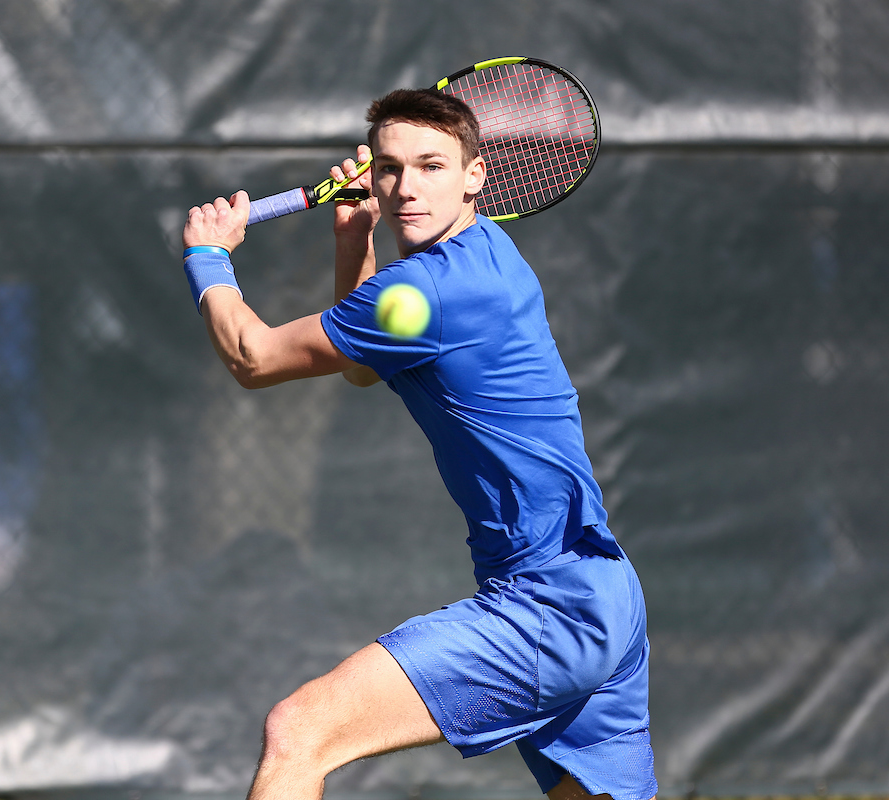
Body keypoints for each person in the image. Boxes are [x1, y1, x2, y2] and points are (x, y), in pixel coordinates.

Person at [181, 89, 657, 800]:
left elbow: (253, 358)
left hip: (548, 607)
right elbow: (369, 366)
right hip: (603, 594)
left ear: (476, 176)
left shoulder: (433, 292)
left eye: (431, 166)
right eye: (389, 168)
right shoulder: (486, 251)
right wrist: (354, 243)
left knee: (299, 733)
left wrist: (210, 258)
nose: (406, 188)